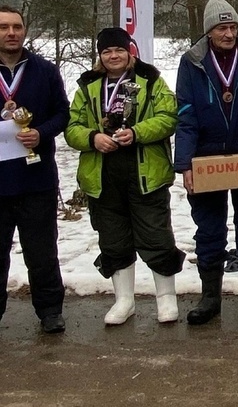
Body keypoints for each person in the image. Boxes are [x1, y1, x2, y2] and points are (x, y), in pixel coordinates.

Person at [65, 27, 185, 325]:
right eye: (107, 52)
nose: (113, 56)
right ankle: (124, 300)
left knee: (155, 234)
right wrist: (93, 138)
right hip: (103, 175)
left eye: (119, 50)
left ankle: (166, 299)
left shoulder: (151, 80)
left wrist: (137, 132)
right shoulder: (88, 87)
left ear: (130, 51)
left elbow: (169, 117)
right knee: (113, 238)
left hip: (146, 171)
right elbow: (71, 127)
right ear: (100, 56)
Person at [175, 0, 238, 325]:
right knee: (208, 228)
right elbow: (186, 116)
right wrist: (186, 164)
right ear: (209, 31)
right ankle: (210, 297)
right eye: (222, 27)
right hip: (207, 157)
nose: (229, 33)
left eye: (233, 27)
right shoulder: (192, 63)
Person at [0, 5, 68, 334]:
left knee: (42, 251)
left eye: (16, 26)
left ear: (24, 30)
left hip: (36, 178)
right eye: (3, 27)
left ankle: (50, 310)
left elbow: (62, 114)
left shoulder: (44, 70)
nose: (11, 33)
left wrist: (41, 132)